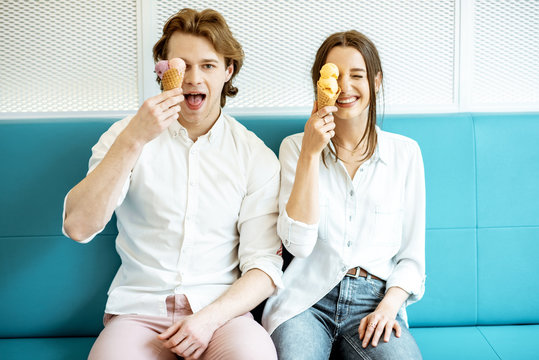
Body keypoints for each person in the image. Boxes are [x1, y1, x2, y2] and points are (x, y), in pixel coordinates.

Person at [62, 8, 282, 360]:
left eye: (208, 65)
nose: (193, 79)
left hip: (222, 317)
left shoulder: (256, 157)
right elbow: (77, 226)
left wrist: (207, 321)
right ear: (163, 70)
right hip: (138, 314)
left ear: (228, 71)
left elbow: (264, 268)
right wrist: (135, 139)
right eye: (183, 65)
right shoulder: (124, 135)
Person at [262, 30, 425, 360]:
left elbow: (412, 259)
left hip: (374, 302)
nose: (345, 88)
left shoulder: (406, 154)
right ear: (320, 84)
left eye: (358, 75)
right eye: (335, 76)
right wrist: (310, 154)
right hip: (305, 300)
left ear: (375, 82)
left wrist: (389, 306)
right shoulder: (295, 148)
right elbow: (298, 244)